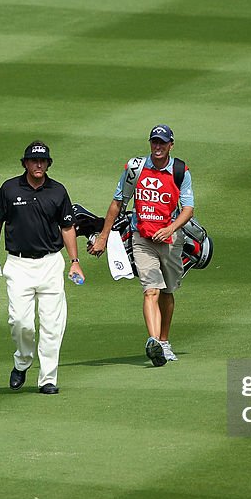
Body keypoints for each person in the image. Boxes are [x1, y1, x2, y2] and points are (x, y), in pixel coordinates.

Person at [87, 124, 195, 367]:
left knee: (167, 291)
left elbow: (188, 209)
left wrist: (170, 228)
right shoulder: (135, 169)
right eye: (154, 142)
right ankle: (154, 341)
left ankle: (164, 341)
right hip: (142, 237)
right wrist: (103, 236)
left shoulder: (180, 171)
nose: (158, 147)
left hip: (171, 240)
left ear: (171, 145)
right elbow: (118, 202)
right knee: (150, 290)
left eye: (162, 143)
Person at [0, 141, 84, 394]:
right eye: (33, 160)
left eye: (43, 161)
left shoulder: (58, 191)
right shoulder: (9, 189)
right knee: (21, 322)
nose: (38, 164)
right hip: (18, 265)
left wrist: (74, 262)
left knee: (53, 326)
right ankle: (22, 361)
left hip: (51, 263)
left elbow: (67, 227)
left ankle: (48, 379)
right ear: (25, 163)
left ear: (48, 164)